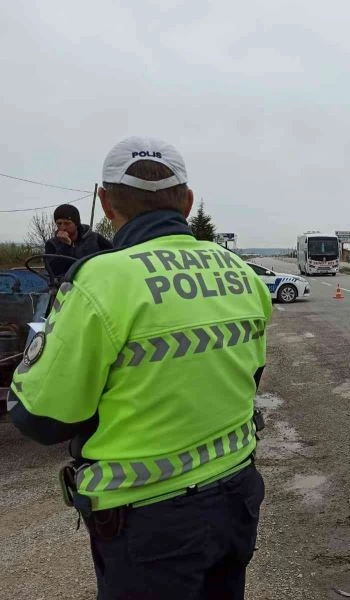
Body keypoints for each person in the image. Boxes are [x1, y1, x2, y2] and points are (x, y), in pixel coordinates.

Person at [10, 136, 273, 599]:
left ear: (106, 202)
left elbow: (41, 417)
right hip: (237, 499)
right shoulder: (242, 275)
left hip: (148, 522)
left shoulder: (101, 281)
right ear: (187, 203)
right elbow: (249, 379)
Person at [44, 204, 113, 278]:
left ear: (76, 224)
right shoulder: (51, 244)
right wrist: (66, 247)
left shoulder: (94, 238)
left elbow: (113, 255)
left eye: (67, 223)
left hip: (95, 279)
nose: (63, 228)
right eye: (59, 223)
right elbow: (53, 271)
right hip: (65, 285)